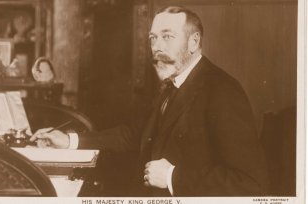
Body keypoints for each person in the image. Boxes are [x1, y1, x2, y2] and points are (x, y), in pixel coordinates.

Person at [31, 6, 269, 196]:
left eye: (168, 37)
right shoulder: (173, 81)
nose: (157, 48)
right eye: (153, 38)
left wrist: (172, 177)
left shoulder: (222, 90)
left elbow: (251, 183)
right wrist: (70, 140)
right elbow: (134, 134)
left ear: (194, 42)